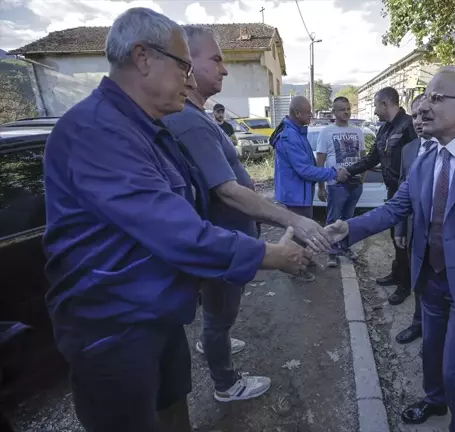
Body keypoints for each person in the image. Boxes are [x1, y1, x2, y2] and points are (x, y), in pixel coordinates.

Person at [42, 8, 310, 432]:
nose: (190, 79)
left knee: (172, 410)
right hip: (114, 328)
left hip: (155, 314)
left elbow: (191, 208)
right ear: (143, 58)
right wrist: (272, 255)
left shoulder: (149, 128)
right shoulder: (98, 132)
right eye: (184, 66)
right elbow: (178, 231)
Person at [325, 66, 455, 432]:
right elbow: (395, 209)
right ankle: (434, 402)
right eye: (425, 96)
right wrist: (349, 227)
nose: (424, 105)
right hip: (430, 279)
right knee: (431, 355)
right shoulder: (426, 159)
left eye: (436, 97)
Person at [161, 26, 330, 403]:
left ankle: (214, 341)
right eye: (217, 59)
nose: (224, 70)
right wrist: (292, 219)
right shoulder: (188, 120)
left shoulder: (199, 117)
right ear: (187, 65)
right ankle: (226, 384)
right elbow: (227, 191)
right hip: (223, 242)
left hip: (228, 238)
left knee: (219, 315)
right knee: (220, 314)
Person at [337, 87, 417, 306]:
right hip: (393, 192)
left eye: (375, 105)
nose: (373, 111)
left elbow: (416, 162)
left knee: (405, 239)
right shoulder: (384, 130)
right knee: (395, 237)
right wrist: (349, 171)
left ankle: (406, 285)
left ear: (385, 104)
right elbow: (372, 158)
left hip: (408, 193)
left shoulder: (409, 125)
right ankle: (397, 273)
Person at [271, 95, 341, 282]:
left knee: (304, 232)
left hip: (300, 194)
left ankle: (305, 260)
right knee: (297, 235)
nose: (312, 114)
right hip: (294, 195)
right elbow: (304, 170)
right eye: (309, 111)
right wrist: (332, 173)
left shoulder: (297, 132)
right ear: (297, 113)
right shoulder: (289, 136)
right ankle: (295, 269)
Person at [393, 93, 438, 345]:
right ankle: (418, 323)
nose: (419, 121)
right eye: (414, 116)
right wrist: (400, 227)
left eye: (425, 114)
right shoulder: (409, 150)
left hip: (444, 235)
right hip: (414, 229)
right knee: (419, 279)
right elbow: (403, 192)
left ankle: (437, 337)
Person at [316, 96, 366, 268]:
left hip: (355, 183)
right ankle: (332, 252)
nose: (346, 112)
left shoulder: (358, 131)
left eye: (348, 108)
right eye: (342, 109)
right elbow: (320, 159)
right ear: (334, 112)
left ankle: (345, 248)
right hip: (335, 184)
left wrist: (363, 178)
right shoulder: (326, 131)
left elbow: (363, 157)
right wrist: (321, 186)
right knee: (333, 220)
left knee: (348, 220)